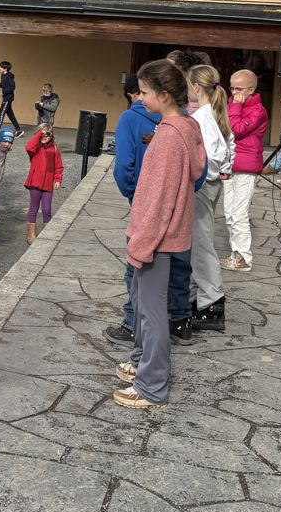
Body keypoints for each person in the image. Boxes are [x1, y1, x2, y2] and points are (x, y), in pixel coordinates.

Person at [112, 61, 205, 412]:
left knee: (151, 312)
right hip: (167, 235)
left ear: (164, 95)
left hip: (157, 238)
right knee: (142, 303)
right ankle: (141, 361)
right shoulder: (185, 126)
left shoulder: (168, 137)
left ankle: (151, 385)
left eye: (146, 92)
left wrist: (142, 244)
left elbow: (158, 199)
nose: (140, 97)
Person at [103, 83, 161, 346]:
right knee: (170, 266)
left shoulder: (131, 117)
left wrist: (132, 193)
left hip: (144, 199)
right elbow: (200, 170)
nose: (140, 99)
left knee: (136, 262)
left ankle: (132, 323)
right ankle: (175, 320)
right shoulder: (185, 120)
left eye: (143, 93)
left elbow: (123, 165)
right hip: (172, 205)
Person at [185, 65, 233, 334]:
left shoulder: (202, 117)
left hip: (203, 186)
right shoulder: (215, 113)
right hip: (211, 184)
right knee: (197, 242)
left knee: (202, 244)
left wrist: (205, 176)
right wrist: (223, 170)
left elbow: (213, 156)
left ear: (195, 87)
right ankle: (197, 298)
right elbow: (228, 148)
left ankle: (212, 303)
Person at [221, 69, 267, 273]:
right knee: (229, 213)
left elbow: (235, 129)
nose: (234, 92)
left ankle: (243, 257)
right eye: (231, 87)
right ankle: (235, 254)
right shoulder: (233, 104)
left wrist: (236, 107)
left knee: (239, 213)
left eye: (239, 88)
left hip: (246, 166)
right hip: (230, 163)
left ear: (251, 89)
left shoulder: (258, 110)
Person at [23, 123, 64, 243]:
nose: (45, 136)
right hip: (35, 182)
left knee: (47, 209)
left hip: (47, 184)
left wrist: (58, 179)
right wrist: (40, 134)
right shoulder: (35, 148)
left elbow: (58, 167)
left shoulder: (55, 149)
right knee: (33, 208)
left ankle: (47, 234)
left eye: (48, 134)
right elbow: (29, 147)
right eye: (42, 133)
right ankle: (31, 235)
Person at [0, 60, 22, 136]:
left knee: (1, 112)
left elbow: (12, 87)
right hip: (6, 97)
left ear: (5, 69)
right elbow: (5, 85)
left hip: (8, 97)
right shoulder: (3, 75)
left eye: (0, 67)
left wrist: (4, 92)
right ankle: (18, 130)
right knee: (10, 114)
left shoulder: (9, 76)